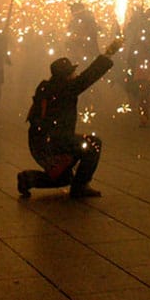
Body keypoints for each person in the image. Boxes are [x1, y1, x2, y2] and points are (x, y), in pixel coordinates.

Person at [18, 37, 123, 199]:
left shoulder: (47, 86)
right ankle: (80, 187)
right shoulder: (65, 89)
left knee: (64, 178)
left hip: (40, 142)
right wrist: (108, 54)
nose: (75, 75)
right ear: (66, 76)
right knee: (93, 144)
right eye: (72, 72)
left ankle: (27, 179)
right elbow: (89, 76)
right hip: (56, 143)